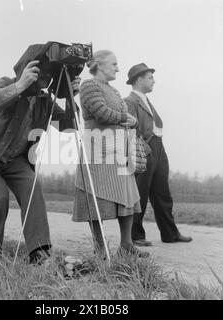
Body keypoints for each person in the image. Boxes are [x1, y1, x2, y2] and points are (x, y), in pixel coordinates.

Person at [0, 44, 81, 264]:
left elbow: (70, 127)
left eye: (48, 76)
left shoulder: (45, 101)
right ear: (26, 67)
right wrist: (20, 86)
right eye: (40, 72)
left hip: (15, 161)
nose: (44, 78)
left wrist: (70, 97)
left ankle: (39, 253)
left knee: (32, 188)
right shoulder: (7, 83)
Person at [72, 50, 149, 259]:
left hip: (118, 149)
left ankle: (126, 244)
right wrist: (127, 118)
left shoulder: (114, 91)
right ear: (99, 65)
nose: (117, 68)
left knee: (126, 195)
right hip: (98, 148)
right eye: (114, 64)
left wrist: (128, 121)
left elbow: (119, 116)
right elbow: (102, 113)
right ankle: (99, 247)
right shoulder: (89, 86)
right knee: (97, 195)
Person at [124, 63, 193, 246]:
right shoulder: (130, 101)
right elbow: (129, 129)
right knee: (140, 193)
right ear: (139, 80)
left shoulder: (145, 99)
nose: (153, 81)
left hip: (159, 147)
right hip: (145, 147)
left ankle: (170, 234)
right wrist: (138, 151)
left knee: (162, 193)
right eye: (150, 77)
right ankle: (135, 236)